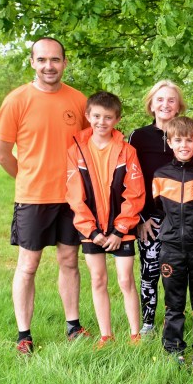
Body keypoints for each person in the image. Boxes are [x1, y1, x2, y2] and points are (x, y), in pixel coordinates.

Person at [0, 37, 90, 354]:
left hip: (71, 198)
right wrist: (29, 179)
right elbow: (2, 154)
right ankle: (24, 335)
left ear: (64, 62)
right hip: (33, 198)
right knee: (28, 265)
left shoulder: (78, 100)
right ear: (33, 62)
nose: (49, 66)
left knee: (69, 261)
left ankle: (73, 327)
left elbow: (90, 146)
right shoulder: (17, 100)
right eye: (43, 59)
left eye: (55, 59)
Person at [65, 91, 145, 348]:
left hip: (122, 228)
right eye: (97, 116)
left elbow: (135, 193)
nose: (102, 122)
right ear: (88, 116)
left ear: (117, 119)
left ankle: (135, 335)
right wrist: (92, 231)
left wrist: (119, 230)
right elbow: (74, 195)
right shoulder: (76, 151)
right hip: (92, 230)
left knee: (125, 280)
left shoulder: (127, 151)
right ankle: (106, 335)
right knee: (98, 279)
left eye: (108, 117)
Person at [152, 117, 193, 371]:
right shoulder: (160, 175)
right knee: (173, 303)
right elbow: (159, 209)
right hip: (171, 248)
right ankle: (173, 350)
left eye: (189, 140)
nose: (184, 145)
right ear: (170, 142)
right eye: (178, 140)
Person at [128, 80, 187, 335]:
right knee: (149, 272)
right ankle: (148, 323)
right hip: (150, 219)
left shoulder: (185, 136)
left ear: (178, 106)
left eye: (171, 100)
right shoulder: (138, 137)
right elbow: (131, 179)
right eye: (160, 100)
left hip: (180, 220)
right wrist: (140, 218)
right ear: (151, 105)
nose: (165, 104)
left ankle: (174, 320)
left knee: (176, 273)